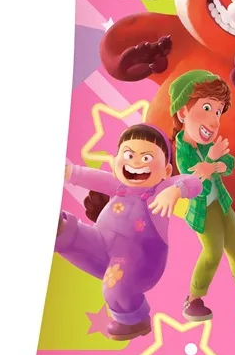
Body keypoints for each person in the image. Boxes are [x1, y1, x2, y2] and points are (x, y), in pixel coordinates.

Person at [57, 124, 201, 341]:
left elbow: (194, 182)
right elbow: (85, 175)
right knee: (66, 234)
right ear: (116, 162)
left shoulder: (160, 189)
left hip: (139, 260)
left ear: (166, 171)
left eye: (146, 158)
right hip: (100, 244)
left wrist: (175, 190)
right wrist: (68, 172)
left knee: (114, 287)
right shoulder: (117, 185)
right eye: (129, 155)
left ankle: (134, 319)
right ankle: (59, 228)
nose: (136, 163)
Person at [169, 70, 235, 321]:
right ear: (183, 112)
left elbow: (229, 163)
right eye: (207, 108)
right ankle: (193, 298)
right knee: (213, 251)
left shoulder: (207, 144)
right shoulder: (183, 149)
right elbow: (194, 179)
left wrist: (215, 164)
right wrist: (211, 163)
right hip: (202, 210)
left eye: (217, 112)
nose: (215, 120)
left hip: (221, 203)